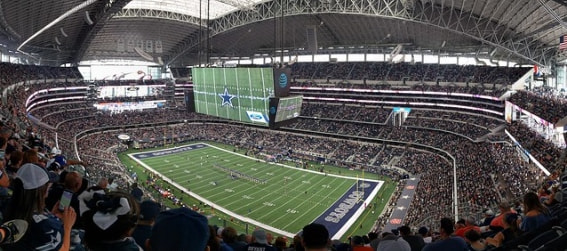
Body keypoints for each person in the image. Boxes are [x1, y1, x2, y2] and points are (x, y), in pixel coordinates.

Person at [3, 163, 76, 251]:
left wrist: (51, 215)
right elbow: (64, 249)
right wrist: (67, 227)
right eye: (48, 188)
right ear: (41, 191)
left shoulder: (5, 203)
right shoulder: (46, 227)